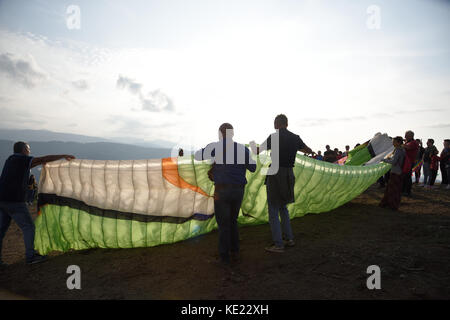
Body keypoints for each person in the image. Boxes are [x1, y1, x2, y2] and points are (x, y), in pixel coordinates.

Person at [0, 141, 76, 266]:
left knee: (1, 230)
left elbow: (31, 165)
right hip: (14, 200)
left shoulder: (11, 159)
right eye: (28, 149)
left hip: (2, 199)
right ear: (24, 150)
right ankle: (31, 256)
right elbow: (44, 158)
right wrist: (63, 155)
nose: (29, 151)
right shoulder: (22, 159)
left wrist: (40, 163)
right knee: (28, 227)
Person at [250, 114, 314, 253]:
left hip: (275, 172)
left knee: (273, 209)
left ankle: (278, 244)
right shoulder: (295, 138)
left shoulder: (273, 137)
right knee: (283, 207)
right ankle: (289, 238)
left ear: (277, 124)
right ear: (287, 123)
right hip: (289, 174)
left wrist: (251, 144)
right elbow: (307, 150)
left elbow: (256, 151)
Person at [194, 124, 256, 265]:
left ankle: (224, 256)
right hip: (238, 190)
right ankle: (235, 251)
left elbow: (198, 156)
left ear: (220, 134)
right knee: (233, 221)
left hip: (221, 190)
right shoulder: (242, 149)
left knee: (223, 224)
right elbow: (253, 167)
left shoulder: (215, 147)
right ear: (232, 134)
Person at [379, 137, 406, 210]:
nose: (393, 143)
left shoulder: (398, 150)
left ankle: (391, 205)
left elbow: (394, 162)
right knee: (395, 189)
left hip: (395, 172)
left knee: (393, 190)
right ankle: (391, 204)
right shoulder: (402, 150)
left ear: (398, 142)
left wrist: (384, 160)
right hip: (398, 172)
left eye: (394, 142)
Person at [401, 131, 419, 197]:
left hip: (409, 162)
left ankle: (407, 191)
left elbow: (408, 148)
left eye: (406, 135)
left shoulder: (414, 142)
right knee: (404, 176)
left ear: (411, 136)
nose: (405, 136)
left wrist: (400, 143)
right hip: (406, 161)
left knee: (407, 177)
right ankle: (403, 190)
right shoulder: (408, 142)